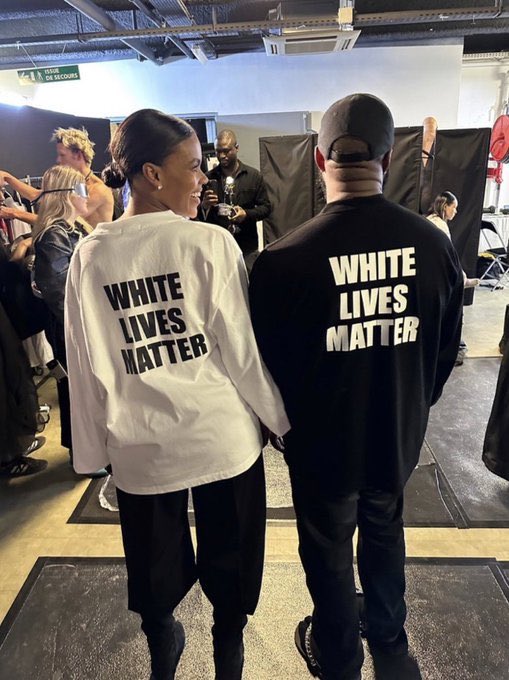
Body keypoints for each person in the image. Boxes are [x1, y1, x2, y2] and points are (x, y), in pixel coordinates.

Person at [63, 109, 289, 680]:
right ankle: (228, 654)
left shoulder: (90, 255)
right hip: (223, 441)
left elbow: (84, 365)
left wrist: (92, 458)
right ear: (151, 174)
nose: (204, 178)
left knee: (153, 569)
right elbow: (241, 353)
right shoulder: (210, 245)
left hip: (142, 450)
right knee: (232, 560)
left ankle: (162, 651)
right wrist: (281, 422)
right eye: (193, 166)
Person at [249, 93, 464, 680]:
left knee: (326, 550)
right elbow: (446, 350)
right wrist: (413, 403)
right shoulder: (434, 246)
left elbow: (264, 368)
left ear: (320, 162)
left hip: (321, 447)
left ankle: (339, 656)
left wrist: (288, 428)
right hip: (395, 434)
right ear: (390, 159)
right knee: (384, 531)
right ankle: (391, 647)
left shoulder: (282, 260)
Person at [32, 165, 107, 478]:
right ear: (66, 195)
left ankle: (89, 449)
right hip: (70, 330)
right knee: (76, 391)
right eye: (79, 191)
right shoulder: (54, 237)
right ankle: (83, 454)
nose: (86, 197)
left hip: (81, 326)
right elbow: (62, 295)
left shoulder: (71, 230)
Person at [0, 126, 114, 228]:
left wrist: (14, 213)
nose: (58, 160)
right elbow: (37, 195)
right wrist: (7, 177)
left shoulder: (99, 189)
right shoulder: (76, 186)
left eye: (62, 155)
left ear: (78, 155)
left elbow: (62, 221)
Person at [200, 129, 271, 272]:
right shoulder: (207, 178)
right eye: (218, 151)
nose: (221, 156)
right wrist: (204, 206)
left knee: (250, 288)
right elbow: (195, 215)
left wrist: (246, 214)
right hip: (217, 246)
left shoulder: (253, 176)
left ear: (236, 148)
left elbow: (266, 208)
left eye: (226, 151)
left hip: (247, 247)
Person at [427, 191, 479, 366]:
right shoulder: (440, 226)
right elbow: (450, 256)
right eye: (454, 208)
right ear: (445, 206)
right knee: (450, 315)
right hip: (437, 278)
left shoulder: (431, 221)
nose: (455, 212)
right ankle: (457, 351)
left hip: (430, 276)